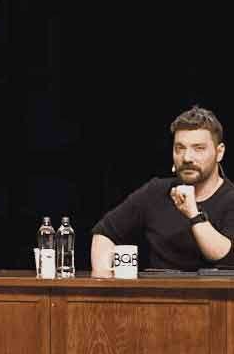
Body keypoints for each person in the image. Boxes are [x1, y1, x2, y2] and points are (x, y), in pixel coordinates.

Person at [91, 105, 234, 275]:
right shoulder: (156, 192)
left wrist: (194, 214)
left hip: (215, 292)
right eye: (180, 148)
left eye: (198, 148)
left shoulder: (230, 198)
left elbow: (225, 256)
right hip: (160, 291)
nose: (187, 158)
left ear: (219, 152)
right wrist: (103, 276)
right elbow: (105, 232)